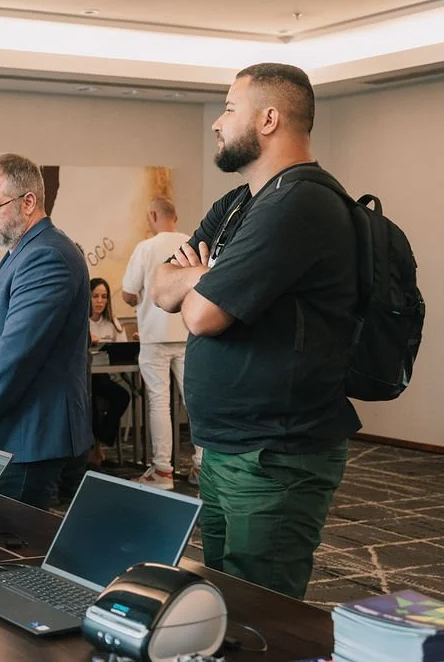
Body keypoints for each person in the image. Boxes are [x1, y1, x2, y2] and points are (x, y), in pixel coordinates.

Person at [152, 63, 359, 599]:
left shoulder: (299, 202)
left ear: (268, 119)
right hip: (227, 447)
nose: (216, 122)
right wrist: (205, 275)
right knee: (223, 599)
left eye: (228, 109)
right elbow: (160, 287)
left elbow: (200, 316)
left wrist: (198, 278)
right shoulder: (238, 203)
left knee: (262, 613)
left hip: (274, 456)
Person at [0, 153, 92, 510]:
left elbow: (13, 359)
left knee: (14, 544)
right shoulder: (23, 250)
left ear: (28, 202)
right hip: (8, 435)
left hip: (27, 439)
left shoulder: (47, 256)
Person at [122, 198, 204, 489]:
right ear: (175, 216)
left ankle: (163, 471)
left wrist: (140, 301)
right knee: (193, 401)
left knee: (159, 402)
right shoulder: (191, 242)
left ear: (153, 215)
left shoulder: (146, 247)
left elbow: (128, 293)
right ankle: (201, 467)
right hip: (188, 332)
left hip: (155, 336)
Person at [86, 278, 131, 468]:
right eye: (95, 296)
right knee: (91, 401)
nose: (100, 301)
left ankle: (100, 442)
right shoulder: (81, 322)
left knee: (123, 396)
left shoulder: (112, 323)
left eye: (104, 297)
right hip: (85, 377)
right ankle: (93, 448)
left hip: (105, 375)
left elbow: (122, 347)